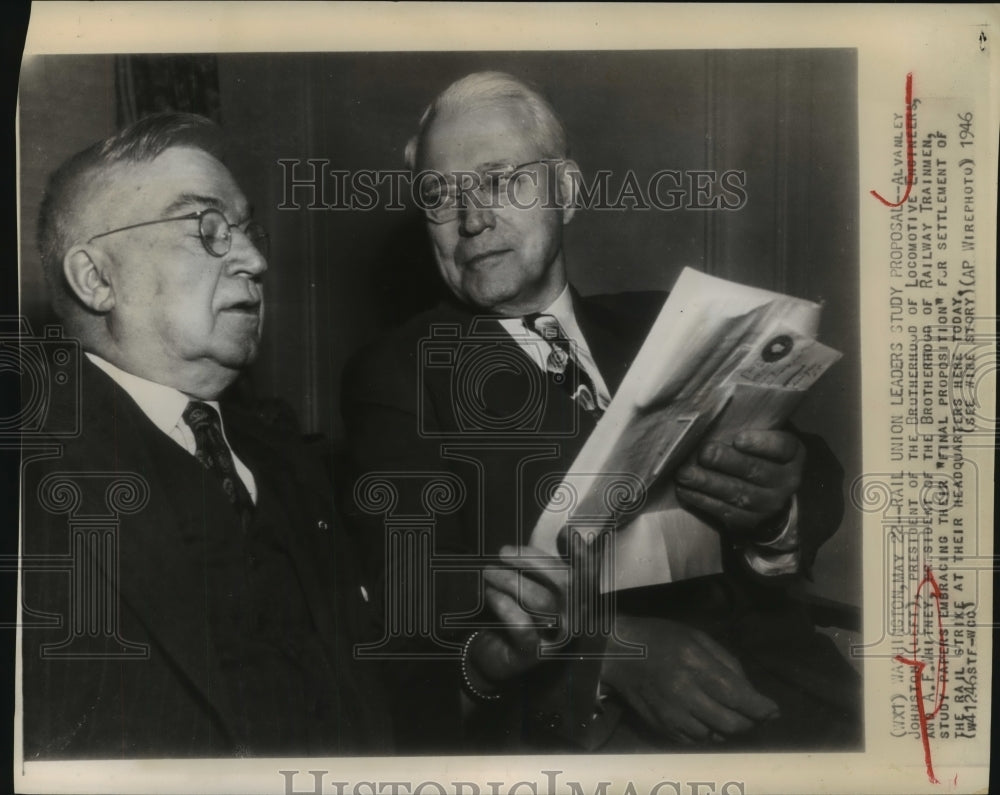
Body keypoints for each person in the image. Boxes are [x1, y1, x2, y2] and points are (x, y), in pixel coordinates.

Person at [342, 72, 860, 753]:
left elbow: (810, 467)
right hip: (596, 730)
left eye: (500, 181)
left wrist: (777, 503)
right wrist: (608, 653)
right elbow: (412, 592)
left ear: (568, 191)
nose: (471, 220)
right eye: (441, 195)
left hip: (788, 688)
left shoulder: (662, 322)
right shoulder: (400, 371)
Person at [20, 113, 391, 758]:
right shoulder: (30, 473)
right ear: (97, 280)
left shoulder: (290, 459)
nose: (256, 260)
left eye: (247, 231)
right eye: (207, 229)